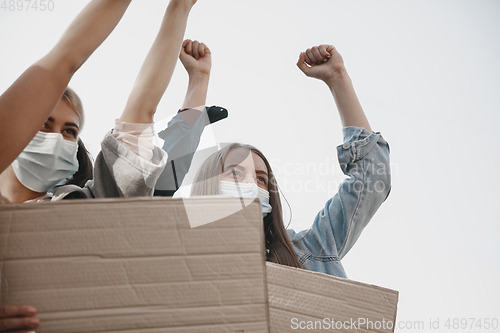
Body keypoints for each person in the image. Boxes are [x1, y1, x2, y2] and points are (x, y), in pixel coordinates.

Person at [0, 0, 199, 330]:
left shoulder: (85, 209)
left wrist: (178, 9)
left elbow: (141, 111)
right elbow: (63, 60)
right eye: (43, 123)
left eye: (69, 131)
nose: (56, 138)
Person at [189, 43, 391, 276]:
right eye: (235, 173)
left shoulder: (308, 250)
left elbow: (372, 178)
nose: (251, 185)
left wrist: (338, 78)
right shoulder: (172, 254)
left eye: (261, 180)